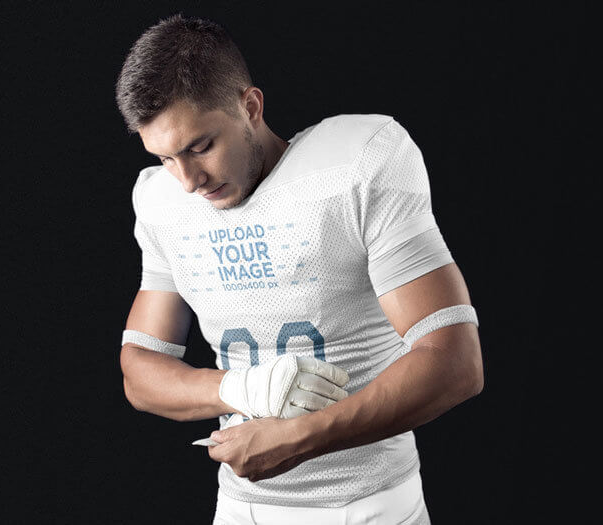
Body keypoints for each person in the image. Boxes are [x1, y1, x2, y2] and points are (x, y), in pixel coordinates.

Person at [115, 13, 483, 525]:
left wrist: (302, 437)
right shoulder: (161, 203)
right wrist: (236, 388)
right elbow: (140, 371)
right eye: (165, 158)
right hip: (242, 507)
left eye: (201, 146)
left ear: (250, 106)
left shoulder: (357, 164)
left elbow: (455, 361)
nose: (189, 180)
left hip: (368, 504)